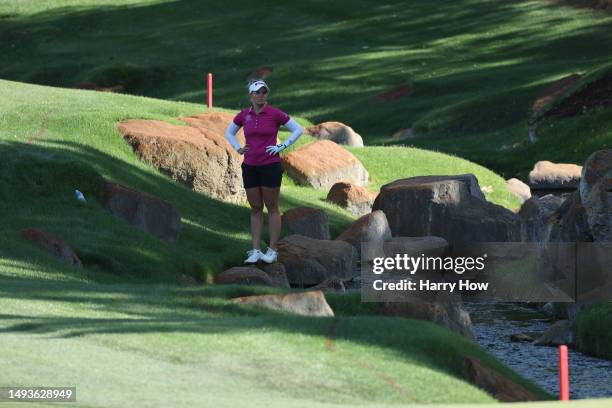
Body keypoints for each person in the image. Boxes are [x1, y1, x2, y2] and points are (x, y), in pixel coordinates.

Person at [225, 80, 303, 264]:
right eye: (258, 92)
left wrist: (281, 146)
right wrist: (237, 148)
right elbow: (229, 133)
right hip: (250, 165)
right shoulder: (245, 115)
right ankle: (255, 250)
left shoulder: (275, 113)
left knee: (272, 206)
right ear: (251, 95)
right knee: (255, 208)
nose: (261, 95)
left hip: (270, 165)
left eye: (264, 92)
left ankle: (273, 250)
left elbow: (298, 129)